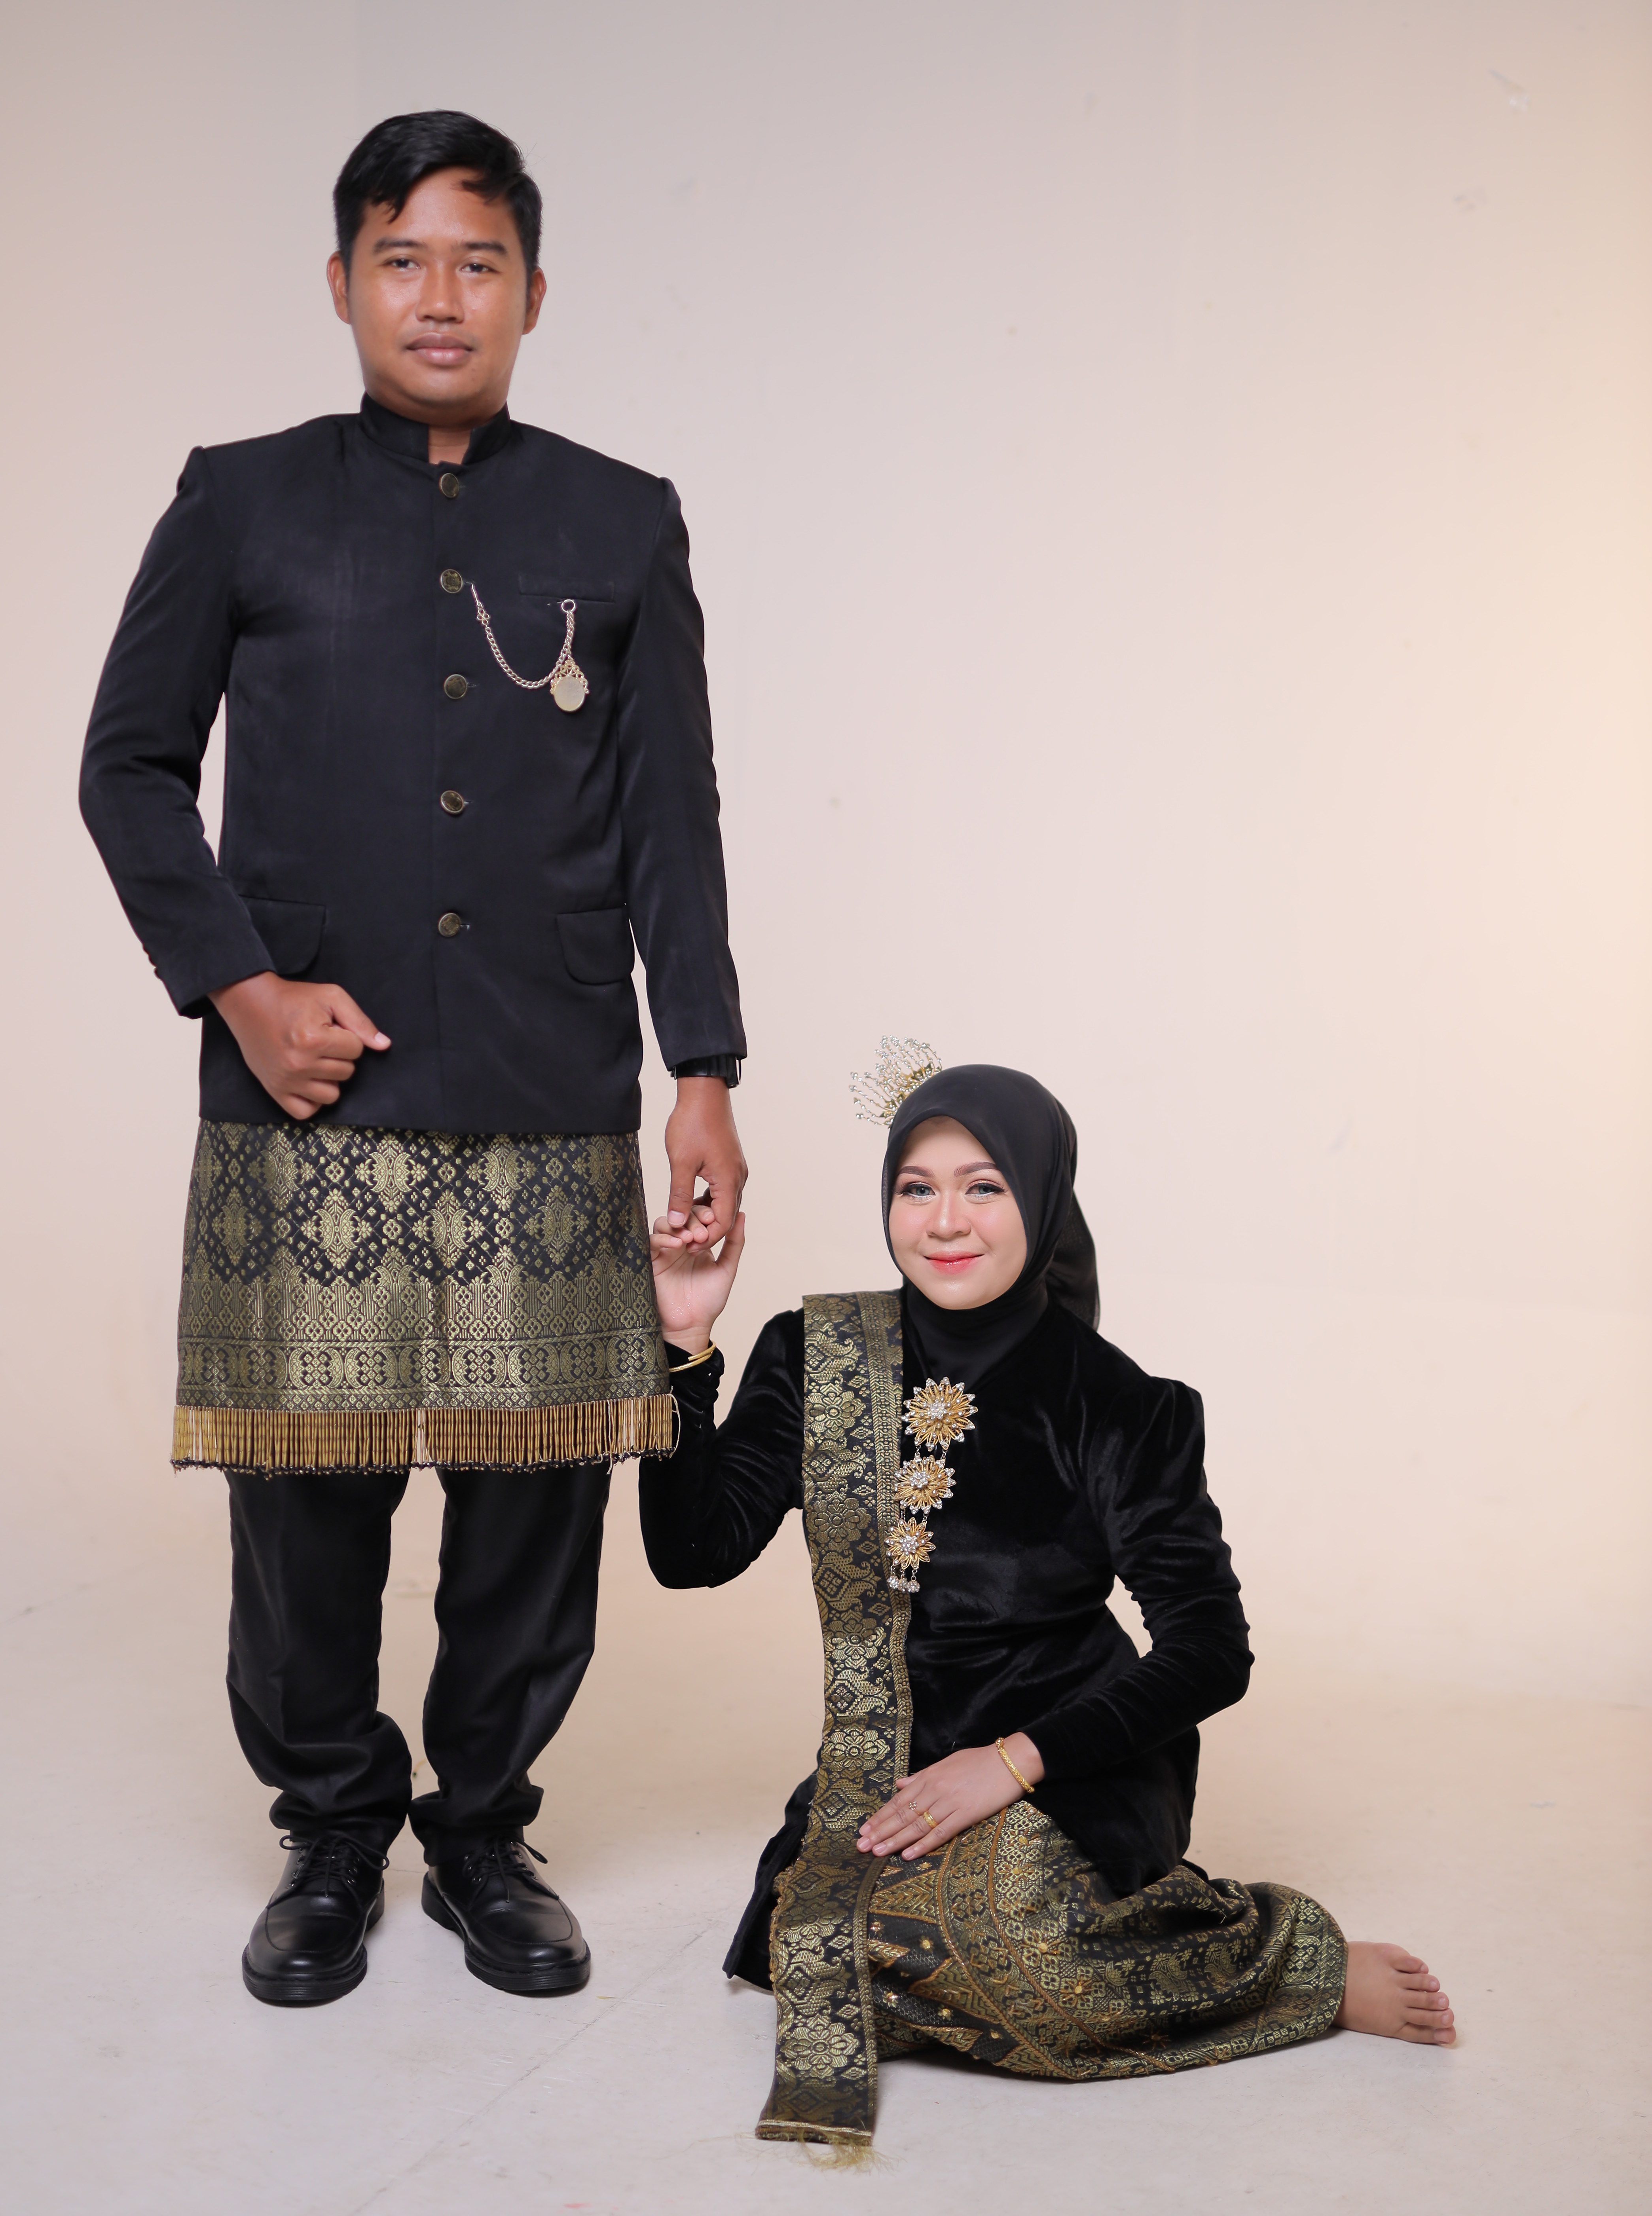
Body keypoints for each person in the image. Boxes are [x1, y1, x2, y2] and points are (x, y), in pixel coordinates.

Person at [79, 110, 747, 2008]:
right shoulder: (241, 500)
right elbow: (126, 765)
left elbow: (671, 816)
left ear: (532, 290)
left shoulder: (621, 518)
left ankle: (482, 1829)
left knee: (538, 1490)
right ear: (340, 284)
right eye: (400, 259)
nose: (438, 296)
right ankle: (328, 1828)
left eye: (476, 261)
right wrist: (240, 988)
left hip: (549, 1067)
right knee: (307, 1495)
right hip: (310, 1088)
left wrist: (701, 1063)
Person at [640, 1056, 1454, 2147]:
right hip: (894, 1766)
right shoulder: (817, 1355)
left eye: (983, 1187)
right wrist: (684, 1343)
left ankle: (1292, 1960)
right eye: (917, 1188)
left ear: (1041, 1195)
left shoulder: (1118, 1406)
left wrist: (1013, 1761)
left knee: (1022, 1954)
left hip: (1078, 1758)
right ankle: (1121, 1941)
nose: (945, 1221)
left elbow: (1211, 1651)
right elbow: (693, 1553)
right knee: (806, 1943)